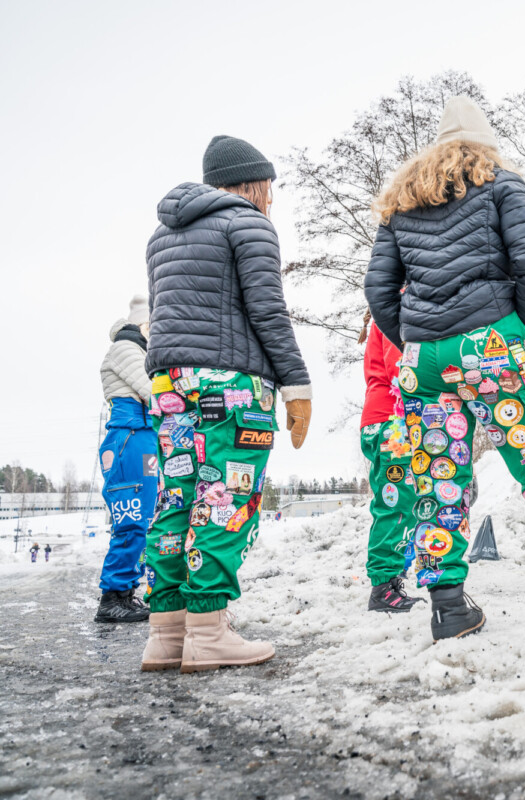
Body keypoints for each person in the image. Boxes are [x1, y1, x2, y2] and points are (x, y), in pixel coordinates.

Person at [365, 96, 525, 640]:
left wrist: (414, 336)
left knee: (438, 477)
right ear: (485, 145)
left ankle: (450, 607)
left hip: (424, 361)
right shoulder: (501, 183)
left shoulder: (403, 203)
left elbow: (377, 289)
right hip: (492, 344)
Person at [141, 135, 312, 672]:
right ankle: (209, 631)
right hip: (231, 386)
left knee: (177, 497)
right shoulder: (250, 225)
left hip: (169, 382)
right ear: (253, 184)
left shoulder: (160, 236)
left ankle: (168, 634)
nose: (271, 200)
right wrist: (297, 385)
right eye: (269, 189)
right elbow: (268, 312)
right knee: (223, 499)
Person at [96, 294, 156, 623]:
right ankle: (112, 597)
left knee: (143, 519)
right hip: (129, 438)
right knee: (130, 519)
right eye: (153, 324)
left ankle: (126, 593)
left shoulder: (140, 349)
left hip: (142, 435)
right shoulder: (126, 348)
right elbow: (153, 392)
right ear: (142, 322)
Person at [359, 318, 422, 612]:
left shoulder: (394, 307)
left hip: (386, 419)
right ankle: (383, 586)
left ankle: (393, 576)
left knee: (403, 499)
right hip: (392, 421)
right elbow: (402, 366)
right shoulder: (397, 308)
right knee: (396, 501)